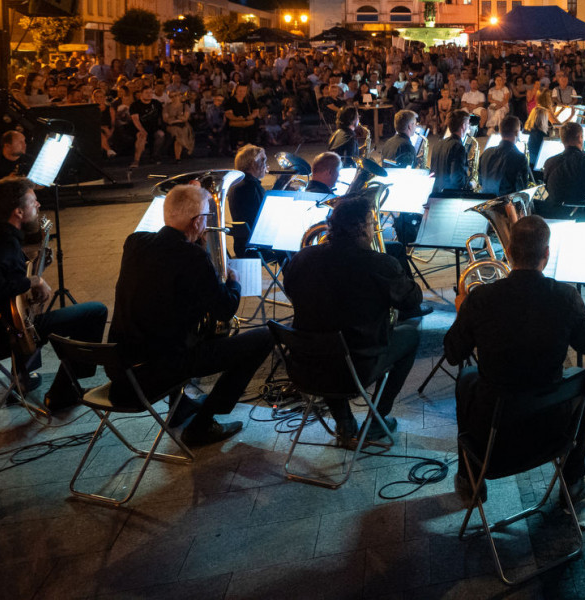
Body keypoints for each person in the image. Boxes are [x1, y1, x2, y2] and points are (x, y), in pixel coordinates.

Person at [442, 215, 585, 505]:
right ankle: (574, 479)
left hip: (495, 434)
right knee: (580, 385)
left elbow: (453, 355)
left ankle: (470, 479)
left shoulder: (481, 297)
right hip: (552, 428)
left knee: (466, 380)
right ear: (546, 253)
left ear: (509, 252)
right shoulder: (566, 295)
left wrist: (462, 310)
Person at [109, 184, 273, 447]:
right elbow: (225, 309)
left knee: (176, 323)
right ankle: (202, 425)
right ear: (197, 222)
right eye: (207, 217)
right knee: (264, 337)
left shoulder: (134, 242)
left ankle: (181, 405)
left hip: (121, 366)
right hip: (157, 371)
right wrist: (234, 283)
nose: (207, 223)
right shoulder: (193, 257)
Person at [0, 177, 107, 411]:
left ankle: (23, 379)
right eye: (33, 202)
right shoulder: (2, 243)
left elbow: (4, 282)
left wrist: (35, 274)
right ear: (19, 212)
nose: (38, 205)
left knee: (34, 317)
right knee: (95, 312)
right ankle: (63, 392)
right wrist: (33, 280)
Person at [284, 195, 423, 445]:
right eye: (372, 223)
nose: (374, 228)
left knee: (326, 339)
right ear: (361, 227)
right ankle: (376, 420)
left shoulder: (302, 257)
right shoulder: (380, 264)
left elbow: (291, 291)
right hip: (356, 368)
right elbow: (412, 301)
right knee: (410, 336)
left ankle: (345, 423)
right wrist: (397, 269)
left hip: (304, 367)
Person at [538, 122, 585, 217]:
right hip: (582, 214)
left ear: (562, 139)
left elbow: (548, 188)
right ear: (580, 137)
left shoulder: (549, 162)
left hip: (554, 213)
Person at [227, 144, 268, 258]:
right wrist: (281, 185)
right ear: (253, 164)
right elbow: (266, 216)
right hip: (256, 247)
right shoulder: (250, 186)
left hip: (242, 245)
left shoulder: (237, 184)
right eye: (263, 160)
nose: (265, 164)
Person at [478, 114, 533, 196]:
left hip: (485, 201)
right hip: (506, 203)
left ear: (500, 131)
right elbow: (522, 189)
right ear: (517, 133)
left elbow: (480, 181)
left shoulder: (486, 153)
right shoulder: (519, 157)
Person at [427, 109, 475, 194]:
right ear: (463, 126)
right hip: (449, 196)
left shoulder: (438, 144)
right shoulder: (458, 147)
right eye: (468, 124)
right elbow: (457, 180)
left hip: (435, 194)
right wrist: (471, 184)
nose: (468, 127)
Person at [523, 88, 558, 168]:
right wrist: (571, 115)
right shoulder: (546, 111)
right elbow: (558, 125)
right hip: (539, 146)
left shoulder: (535, 109)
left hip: (532, 145)